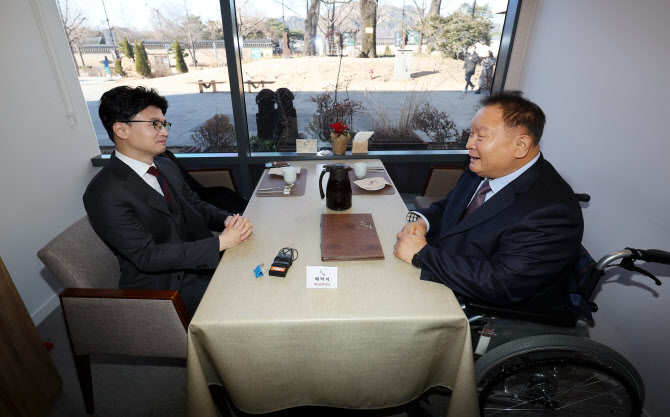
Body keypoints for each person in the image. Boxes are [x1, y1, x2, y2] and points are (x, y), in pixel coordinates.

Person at [394, 91, 584, 313]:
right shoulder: (484, 168)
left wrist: (422, 255)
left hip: (478, 305)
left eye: (480, 137)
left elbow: (501, 284)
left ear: (521, 145)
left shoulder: (553, 212)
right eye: (471, 134)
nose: (469, 144)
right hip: (447, 269)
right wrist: (423, 222)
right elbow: (450, 205)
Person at [84, 86, 253, 316]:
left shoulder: (164, 164)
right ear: (121, 129)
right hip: (166, 288)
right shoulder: (103, 193)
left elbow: (197, 205)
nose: (164, 131)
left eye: (164, 124)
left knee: (264, 272)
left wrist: (229, 220)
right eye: (154, 124)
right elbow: (148, 257)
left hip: (199, 263)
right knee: (247, 304)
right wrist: (219, 243)